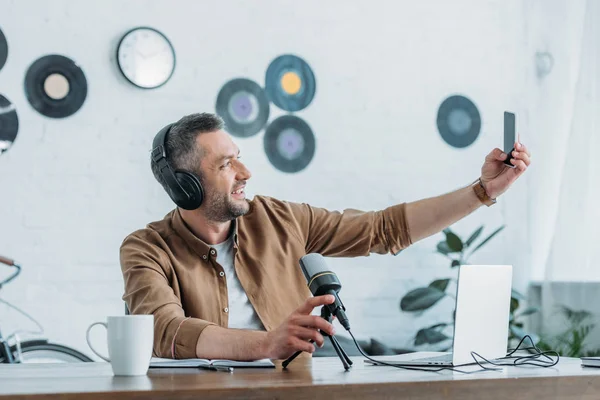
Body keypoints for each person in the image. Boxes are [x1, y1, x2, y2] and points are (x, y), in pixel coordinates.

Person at [120, 112, 531, 361]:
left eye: (240, 160)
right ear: (185, 186)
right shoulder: (146, 248)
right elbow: (163, 329)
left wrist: (482, 192)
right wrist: (266, 344)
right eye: (227, 165)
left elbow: (382, 229)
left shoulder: (279, 219)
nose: (246, 174)